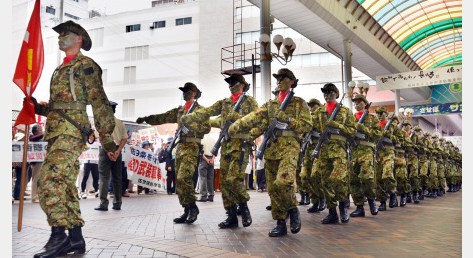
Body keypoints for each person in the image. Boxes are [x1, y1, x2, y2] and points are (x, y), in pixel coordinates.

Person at [30, 20, 117, 257]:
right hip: (57, 132)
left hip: (71, 132)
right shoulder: (60, 69)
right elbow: (59, 107)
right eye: (59, 35)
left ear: (79, 39)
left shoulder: (86, 66)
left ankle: (59, 237)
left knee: (49, 180)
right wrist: (37, 107)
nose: (60, 37)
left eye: (65, 34)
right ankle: (76, 239)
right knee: (65, 185)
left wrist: (108, 141)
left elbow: (99, 103)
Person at [229, 68, 311, 236]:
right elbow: (256, 117)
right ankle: (280, 222)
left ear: (292, 81)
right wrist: (239, 126)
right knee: (273, 189)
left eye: (283, 78)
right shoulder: (270, 104)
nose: (279, 80)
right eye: (278, 78)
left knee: (283, 182)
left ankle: (293, 209)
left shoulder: (299, 103)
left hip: (290, 148)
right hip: (272, 150)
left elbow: (307, 126)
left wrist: (288, 119)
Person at [181, 74, 258, 229]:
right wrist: (191, 117)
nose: (231, 85)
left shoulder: (250, 102)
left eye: (234, 82)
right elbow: (208, 111)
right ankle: (230, 215)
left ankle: (243, 208)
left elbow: (259, 118)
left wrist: (241, 123)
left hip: (241, 145)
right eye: (229, 83)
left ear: (242, 85)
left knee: (234, 180)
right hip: (227, 146)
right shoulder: (224, 103)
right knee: (224, 182)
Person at [136, 82, 210, 224]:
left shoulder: (201, 110)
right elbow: (162, 117)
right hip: (180, 147)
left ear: (194, 93)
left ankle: (193, 207)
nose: (184, 93)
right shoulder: (180, 111)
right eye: (183, 91)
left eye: (187, 91)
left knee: (184, 178)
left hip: (192, 146)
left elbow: (206, 128)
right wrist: (146, 118)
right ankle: (186, 209)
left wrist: (191, 127)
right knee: (179, 182)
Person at [310, 83, 355, 224]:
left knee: (338, 179)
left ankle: (343, 206)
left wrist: (337, 125)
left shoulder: (345, 111)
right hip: (324, 150)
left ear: (336, 94)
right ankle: (332, 212)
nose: (327, 95)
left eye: (330, 92)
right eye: (324, 93)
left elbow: (352, 131)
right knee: (325, 181)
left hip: (339, 150)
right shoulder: (319, 112)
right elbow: (311, 127)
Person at [348, 93, 381, 218]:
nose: (356, 104)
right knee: (354, 180)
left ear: (365, 103)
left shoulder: (372, 118)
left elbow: (378, 134)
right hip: (354, 151)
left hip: (366, 150)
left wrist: (363, 128)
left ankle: (372, 201)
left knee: (367, 177)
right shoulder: (350, 118)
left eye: (359, 102)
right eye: (355, 102)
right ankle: (359, 206)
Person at [95, 101, 128, 211]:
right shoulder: (120, 122)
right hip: (117, 150)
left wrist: (108, 151)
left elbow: (101, 138)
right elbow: (125, 138)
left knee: (104, 178)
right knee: (117, 178)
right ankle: (117, 203)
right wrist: (118, 150)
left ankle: (104, 204)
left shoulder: (102, 122)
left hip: (106, 151)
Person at [300, 98, 326, 213]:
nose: (311, 108)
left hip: (319, 148)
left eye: (313, 105)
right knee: (305, 176)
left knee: (316, 175)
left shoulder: (321, 116)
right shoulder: (308, 117)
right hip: (308, 149)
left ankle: (322, 197)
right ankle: (314, 200)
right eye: (309, 106)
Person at [374, 107, 397, 211]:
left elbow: (399, 140)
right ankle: (382, 201)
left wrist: (389, 135)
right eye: (377, 113)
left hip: (388, 152)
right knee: (378, 178)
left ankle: (392, 194)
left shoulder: (392, 125)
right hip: (378, 153)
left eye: (381, 113)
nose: (379, 115)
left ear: (386, 114)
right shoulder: (375, 125)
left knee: (387, 174)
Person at [196, 133, 217, 202]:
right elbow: (215, 151)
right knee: (210, 178)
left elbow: (200, 152)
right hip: (211, 159)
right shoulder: (213, 139)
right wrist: (212, 159)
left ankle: (203, 196)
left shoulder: (201, 139)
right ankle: (211, 195)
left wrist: (207, 160)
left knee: (203, 178)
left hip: (203, 160)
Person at [79, 131, 99, 199]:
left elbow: (99, 152)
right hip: (87, 162)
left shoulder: (97, 144)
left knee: (96, 177)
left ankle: (96, 191)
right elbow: (81, 153)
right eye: (90, 136)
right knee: (85, 176)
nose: (91, 137)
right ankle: (83, 192)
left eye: (93, 136)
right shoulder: (85, 144)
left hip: (95, 163)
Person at [29, 124, 45, 203]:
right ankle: (34, 197)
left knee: (41, 180)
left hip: (43, 161)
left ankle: (39, 195)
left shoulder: (42, 138)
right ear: (35, 131)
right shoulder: (32, 137)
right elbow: (34, 138)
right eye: (40, 129)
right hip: (37, 162)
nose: (41, 130)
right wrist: (44, 133)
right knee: (36, 179)